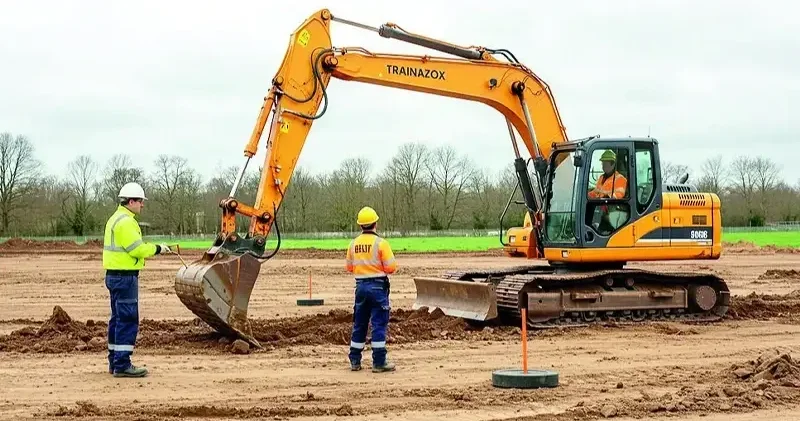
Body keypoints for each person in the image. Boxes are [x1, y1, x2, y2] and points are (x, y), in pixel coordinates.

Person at [102, 182, 171, 378]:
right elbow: (137, 249)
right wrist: (158, 248)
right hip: (124, 277)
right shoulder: (125, 221)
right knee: (127, 319)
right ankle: (122, 364)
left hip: (115, 276)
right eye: (140, 201)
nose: (142, 205)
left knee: (117, 319)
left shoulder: (116, 218)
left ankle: (115, 361)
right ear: (131, 201)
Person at [345, 206, 397, 373]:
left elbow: (349, 267)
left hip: (360, 287)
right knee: (378, 324)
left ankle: (355, 360)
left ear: (361, 225)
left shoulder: (353, 244)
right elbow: (391, 268)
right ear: (375, 223)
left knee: (359, 323)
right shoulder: (381, 243)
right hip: (378, 287)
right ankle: (379, 362)